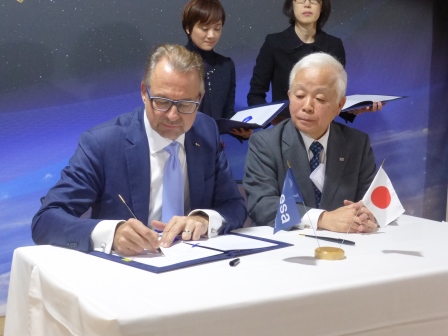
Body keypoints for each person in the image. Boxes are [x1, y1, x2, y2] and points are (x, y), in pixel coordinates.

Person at [32, 44, 247, 256]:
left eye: (185, 104)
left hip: (197, 267)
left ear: (199, 100)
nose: (173, 115)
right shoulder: (103, 144)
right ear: (144, 92)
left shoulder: (206, 131)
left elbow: (234, 205)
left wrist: (203, 219)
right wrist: (112, 234)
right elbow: (45, 220)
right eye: (162, 102)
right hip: (127, 273)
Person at [243, 52, 378, 233]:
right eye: (299, 95)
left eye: (320, 99)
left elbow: (369, 201)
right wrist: (323, 219)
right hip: (285, 250)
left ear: (340, 105)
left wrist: (366, 217)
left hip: (346, 249)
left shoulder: (357, 144)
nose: (307, 106)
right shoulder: (265, 143)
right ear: (289, 96)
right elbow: (262, 205)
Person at [247, 0, 381, 124]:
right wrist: (276, 122)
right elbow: (255, 94)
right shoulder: (274, 43)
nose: (307, 4)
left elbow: (334, 97)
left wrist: (352, 110)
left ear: (322, 7)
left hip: (322, 128)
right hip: (285, 131)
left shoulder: (334, 45)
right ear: (291, 5)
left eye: (314, 0)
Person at [182, 0, 251, 138]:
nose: (212, 35)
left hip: (213, 149)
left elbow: (227, 114)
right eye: (205, 28)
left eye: (217, 28)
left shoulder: (226, 65)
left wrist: (240, 129)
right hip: (178, 146)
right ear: (188, 28)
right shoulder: (175, 62)